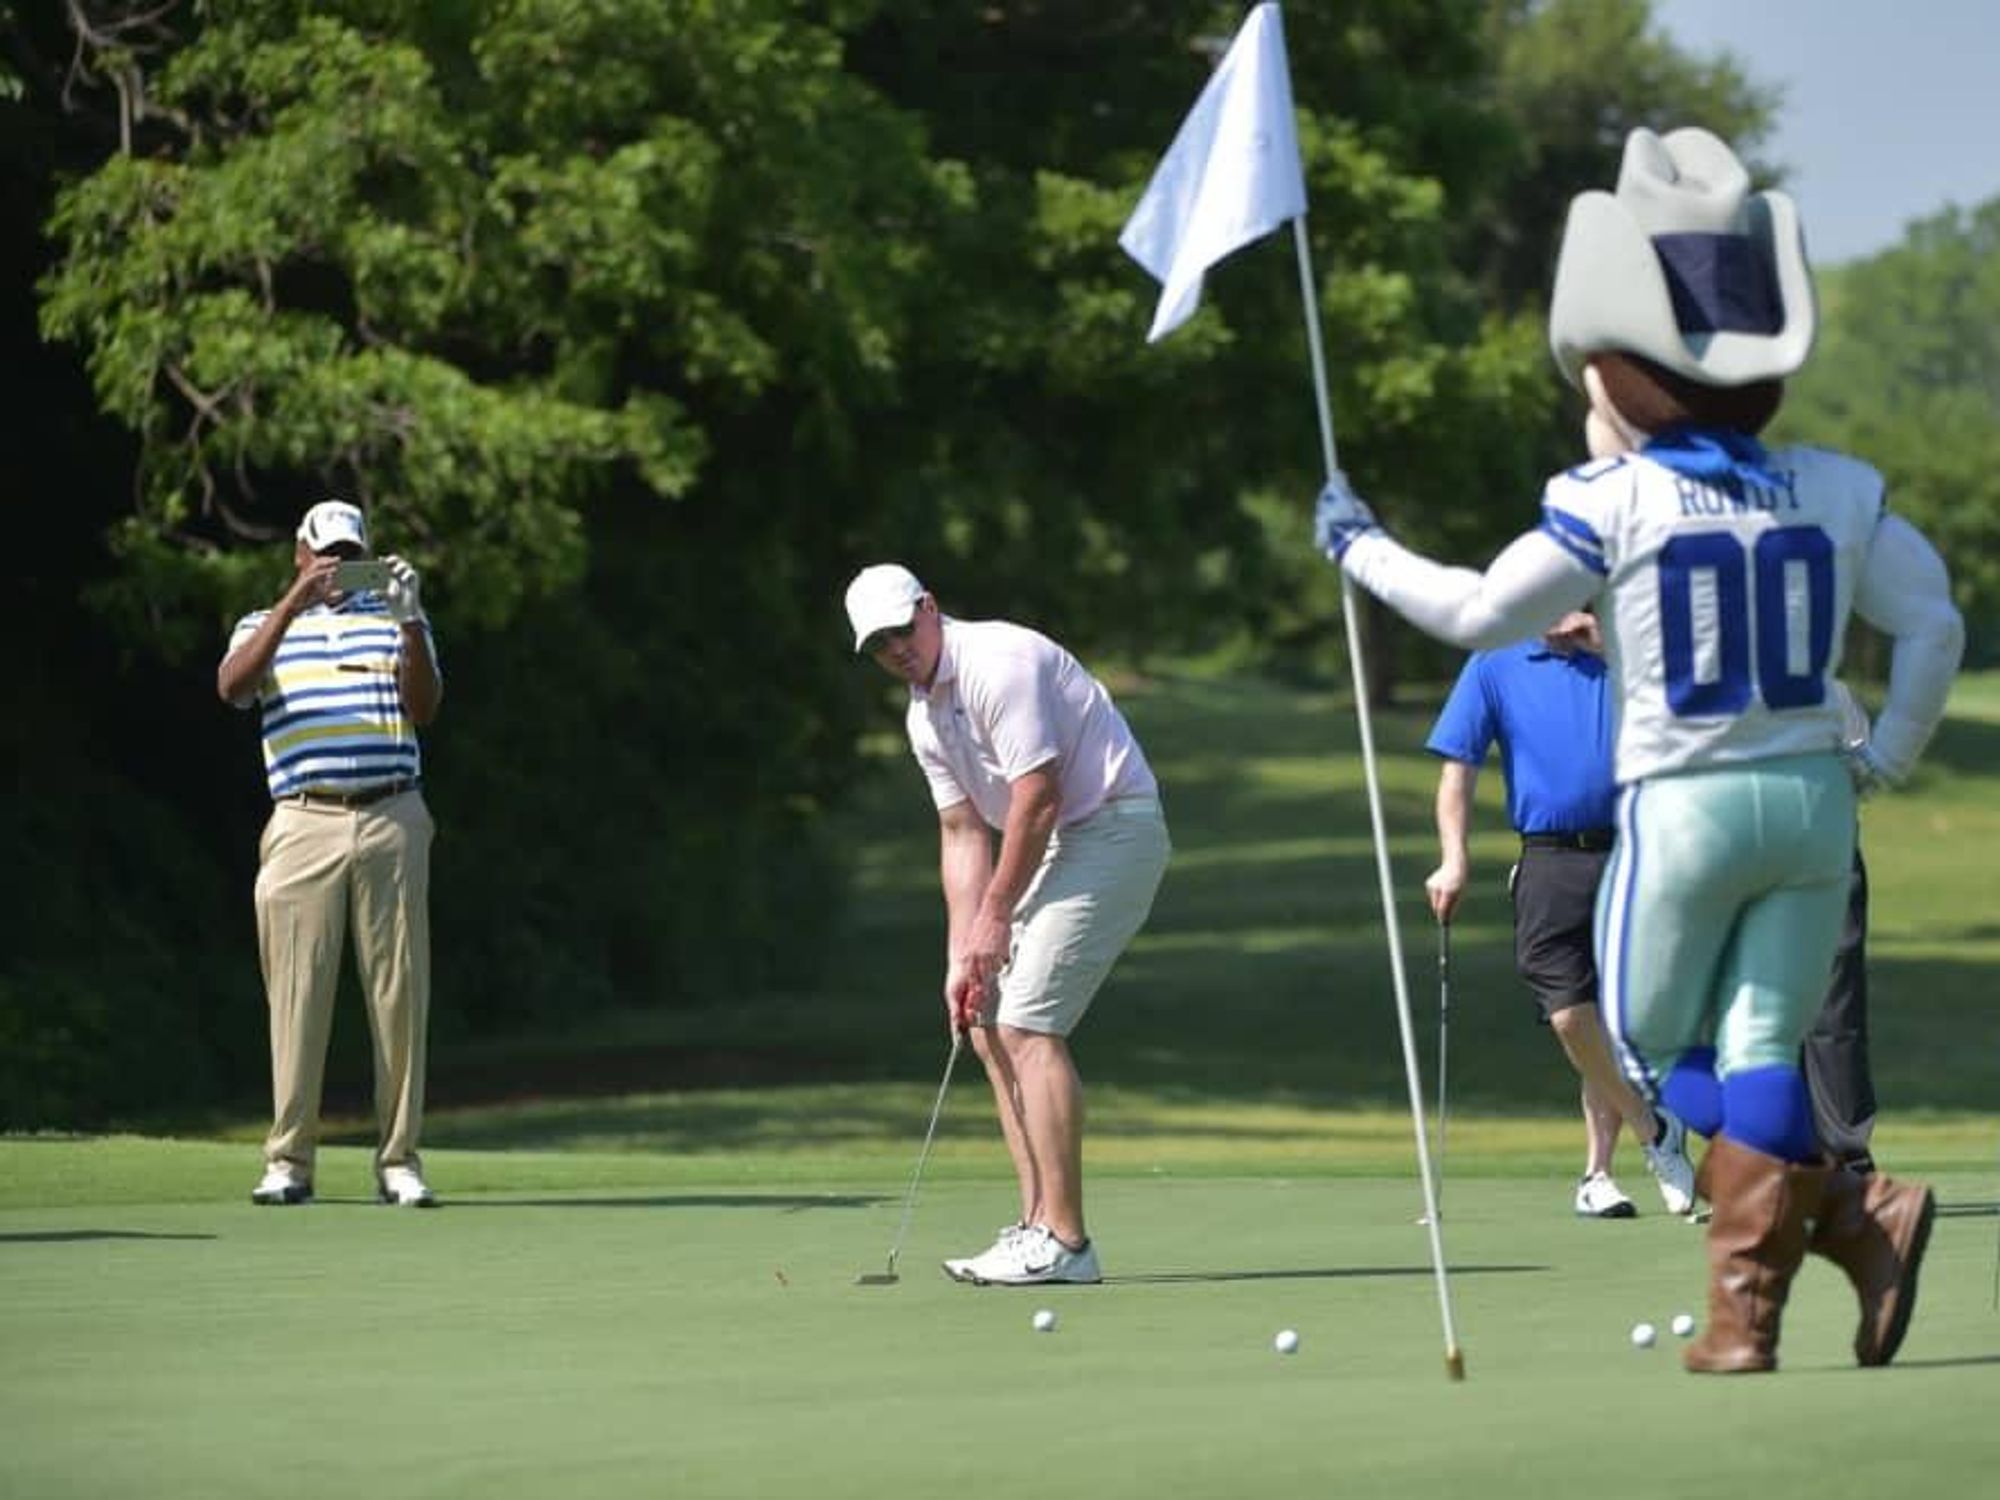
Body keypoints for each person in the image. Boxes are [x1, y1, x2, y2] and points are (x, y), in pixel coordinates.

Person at [1314, 126, 1962, 1372]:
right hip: (1813, 802)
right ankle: (1764, 1300)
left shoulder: (1614, 499)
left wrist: (1357, 546)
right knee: (1767, 1042)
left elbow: (1472, 614)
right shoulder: (1835, 485)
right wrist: (1884, 756)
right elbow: (1931, 621)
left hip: (1681, 806)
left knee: (1650, 1054)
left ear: (1610, 373)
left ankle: (1837, 1218)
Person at [844, 563, 1170, 1286]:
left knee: (1027, 1024)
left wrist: (994, 918)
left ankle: (1069, 1243)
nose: (896, 649)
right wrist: (962, 953)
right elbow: (962, 833)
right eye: (878, 645)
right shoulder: (924, 715)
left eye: (902, 630)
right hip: (1056, 842)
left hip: (1114, 827)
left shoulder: (999, 663)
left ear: (929, 608)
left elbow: (1040, 796)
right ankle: (1035, 1228)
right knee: (987, 1021)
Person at [1425, 610, 1696, 1220]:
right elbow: (1457, 769)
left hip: (1633, 848)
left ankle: (1598, 1176)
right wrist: (1453, 858)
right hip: (1549, 857)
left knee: (1613, 1017)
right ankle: (1655, 1130)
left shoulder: (1628, 655)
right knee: (1570, 1014)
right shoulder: (1495, 661)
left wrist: (1610, 648)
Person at [218, 499, 443, 1209]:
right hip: (303, 819)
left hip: (390, 816)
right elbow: (233, 687)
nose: (337, 570)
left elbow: (425, 708)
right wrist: (293, 603)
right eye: (326, 557)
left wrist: (410, 618)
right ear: (300, 554)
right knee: (297, 997)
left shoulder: (397, 621)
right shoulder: (262, 624)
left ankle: (399, 1161)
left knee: (399, 995)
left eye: (351, 557)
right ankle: (289, 1161)